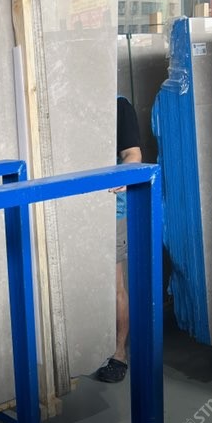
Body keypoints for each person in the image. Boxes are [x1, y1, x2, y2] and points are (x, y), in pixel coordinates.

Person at [97, 97, 142, 383]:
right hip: (71, 208)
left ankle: (118, 354)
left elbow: (133, 154)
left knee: (114, 285)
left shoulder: (118, 106)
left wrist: (122, 175)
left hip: (110, 209)